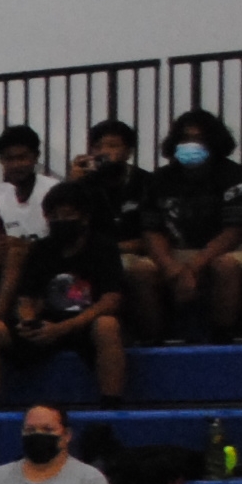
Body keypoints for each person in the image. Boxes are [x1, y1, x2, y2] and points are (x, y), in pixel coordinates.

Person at [0, 182, 129, 404]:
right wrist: (29, 322)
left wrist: (64, 328)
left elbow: (111, 300)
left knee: (108, 325)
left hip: (84, 325)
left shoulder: (103, 248)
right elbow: (26, 297)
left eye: (66, 215)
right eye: (52, 216)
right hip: (45, 327)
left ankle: (111, 404)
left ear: (84, 217)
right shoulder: (41, 250)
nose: (58, 221)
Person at [143, 109, 242, 340]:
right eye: (185, 139)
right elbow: (152, 231)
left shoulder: (232, 174)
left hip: (234, 248)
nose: (191, 144)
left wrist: (193, 267)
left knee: (225, 266)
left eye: (198, 139)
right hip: (178, 251)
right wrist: (169, 267)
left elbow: (235, 232)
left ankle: (222, 337)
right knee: (140, 270)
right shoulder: (160, 179)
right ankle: (153, 339)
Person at [64, 119, 166, 336]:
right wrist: (72, 183)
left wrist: (115, 248)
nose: (104, 152)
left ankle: (152, 336)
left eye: (112, 146)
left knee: (140, 271)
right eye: (98, 147)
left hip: (136, 252)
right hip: (92, 252)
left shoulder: (146, 182)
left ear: (128, 151)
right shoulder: (85, 184)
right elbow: (64, 222)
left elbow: (155, 234)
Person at [0, 126, 61, 266]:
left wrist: (25, 246)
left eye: (22, 157)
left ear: (36, 157)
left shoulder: (54, 190)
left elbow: (65, 243)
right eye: (9, 159)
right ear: (1, 161)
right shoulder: (1, 201)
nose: (15, 165)